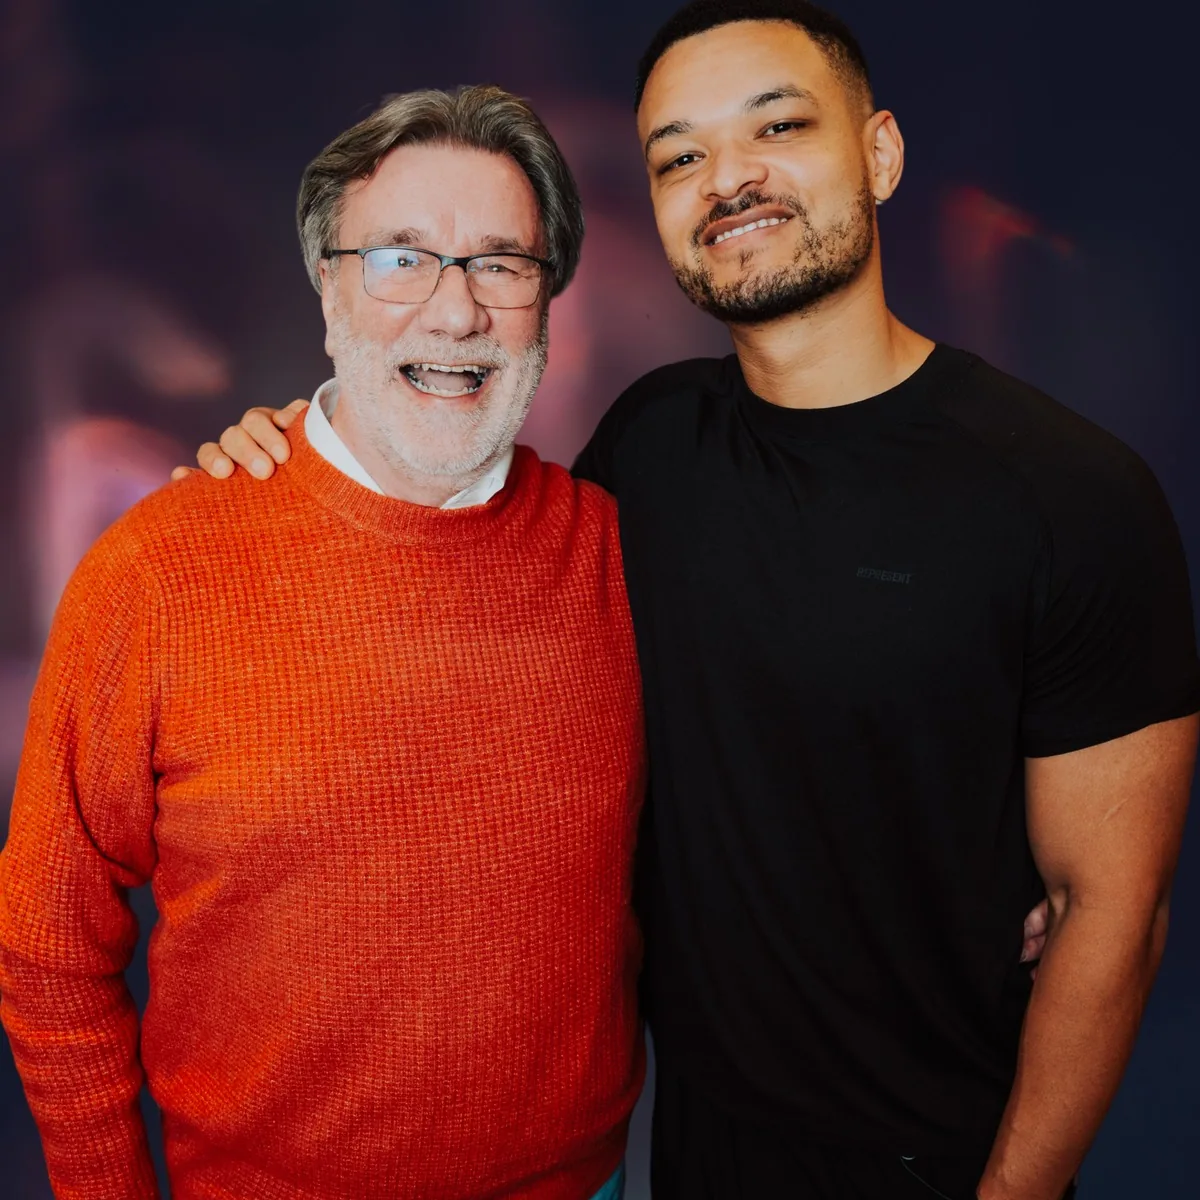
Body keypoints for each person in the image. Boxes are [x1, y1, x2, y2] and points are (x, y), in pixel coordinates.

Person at [206, 3, 1200, 1199]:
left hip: (945, 1162)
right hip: (685, 1153)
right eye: (680, 155)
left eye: (777, 126)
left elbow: (1112, 913)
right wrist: (291, 460)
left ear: (879, 154)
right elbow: (459, 565)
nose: (729, 179)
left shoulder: (1074, 495)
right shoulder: (651, 443)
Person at [0, 86, 644, 1200]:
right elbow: (49, 946)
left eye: (503, 263)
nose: (455, 315)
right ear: (326, 281)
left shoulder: (620, 555)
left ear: (551, 300)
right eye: (402, 258)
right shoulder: (158, 570)